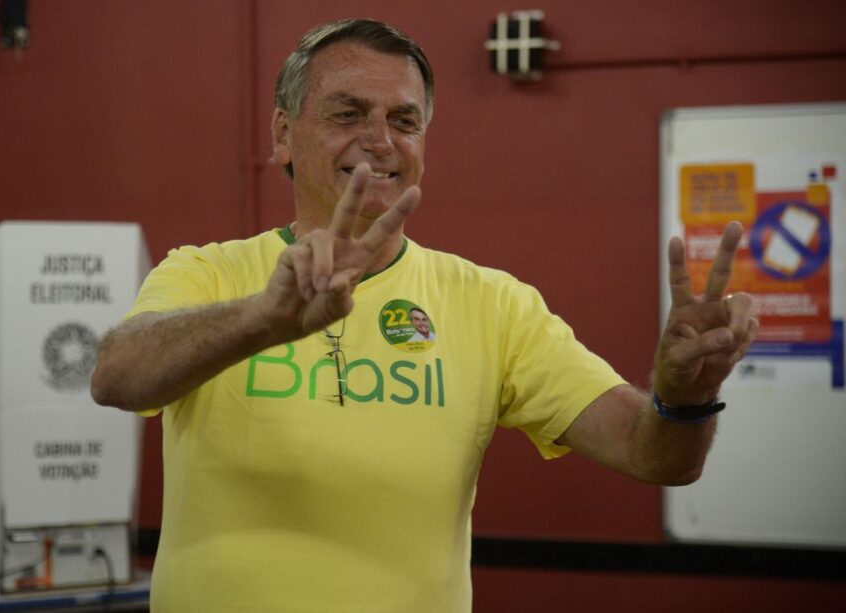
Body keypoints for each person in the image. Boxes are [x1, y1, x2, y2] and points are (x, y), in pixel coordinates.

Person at [91, 18, 757, 613]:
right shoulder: (208, 273)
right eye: (348, 113)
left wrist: (686, 397)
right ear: (283, 134)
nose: (380, 140)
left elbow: (651, 453)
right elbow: (116, 376)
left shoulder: (493, 304)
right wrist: (261, 319)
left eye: (405, 122)